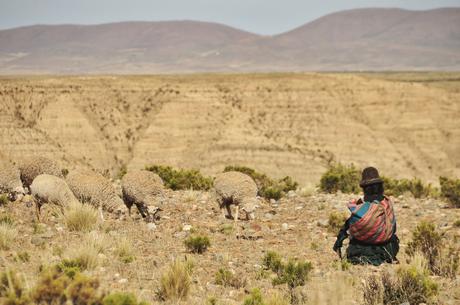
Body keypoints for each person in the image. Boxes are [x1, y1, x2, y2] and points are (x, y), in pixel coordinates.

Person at [333, 167, 399, 266]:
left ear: (364, 188)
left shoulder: (361, 210)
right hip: (387, 249)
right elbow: (393, 229)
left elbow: (352, 230)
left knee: (349, 225)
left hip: (362, 248)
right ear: (380, 186)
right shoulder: (387, 205)